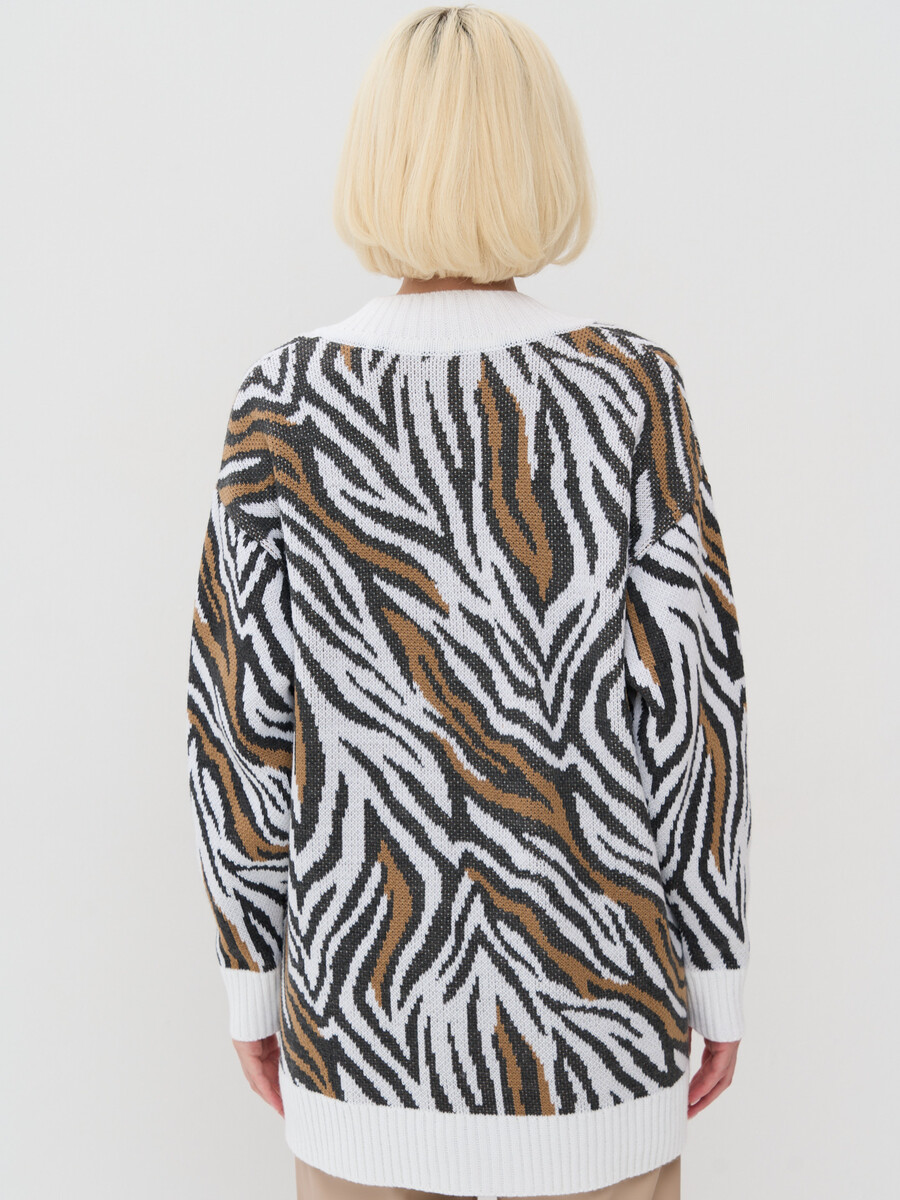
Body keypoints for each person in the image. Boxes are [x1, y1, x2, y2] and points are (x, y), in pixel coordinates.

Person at [185, 7, 751, 1200]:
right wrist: (716, 982)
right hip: (604, 1023)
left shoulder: (284, 405)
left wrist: (252, 982)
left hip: (366, 1016)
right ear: (545, 155)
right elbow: (697, 718)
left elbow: (239, 726)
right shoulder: (630, 393)